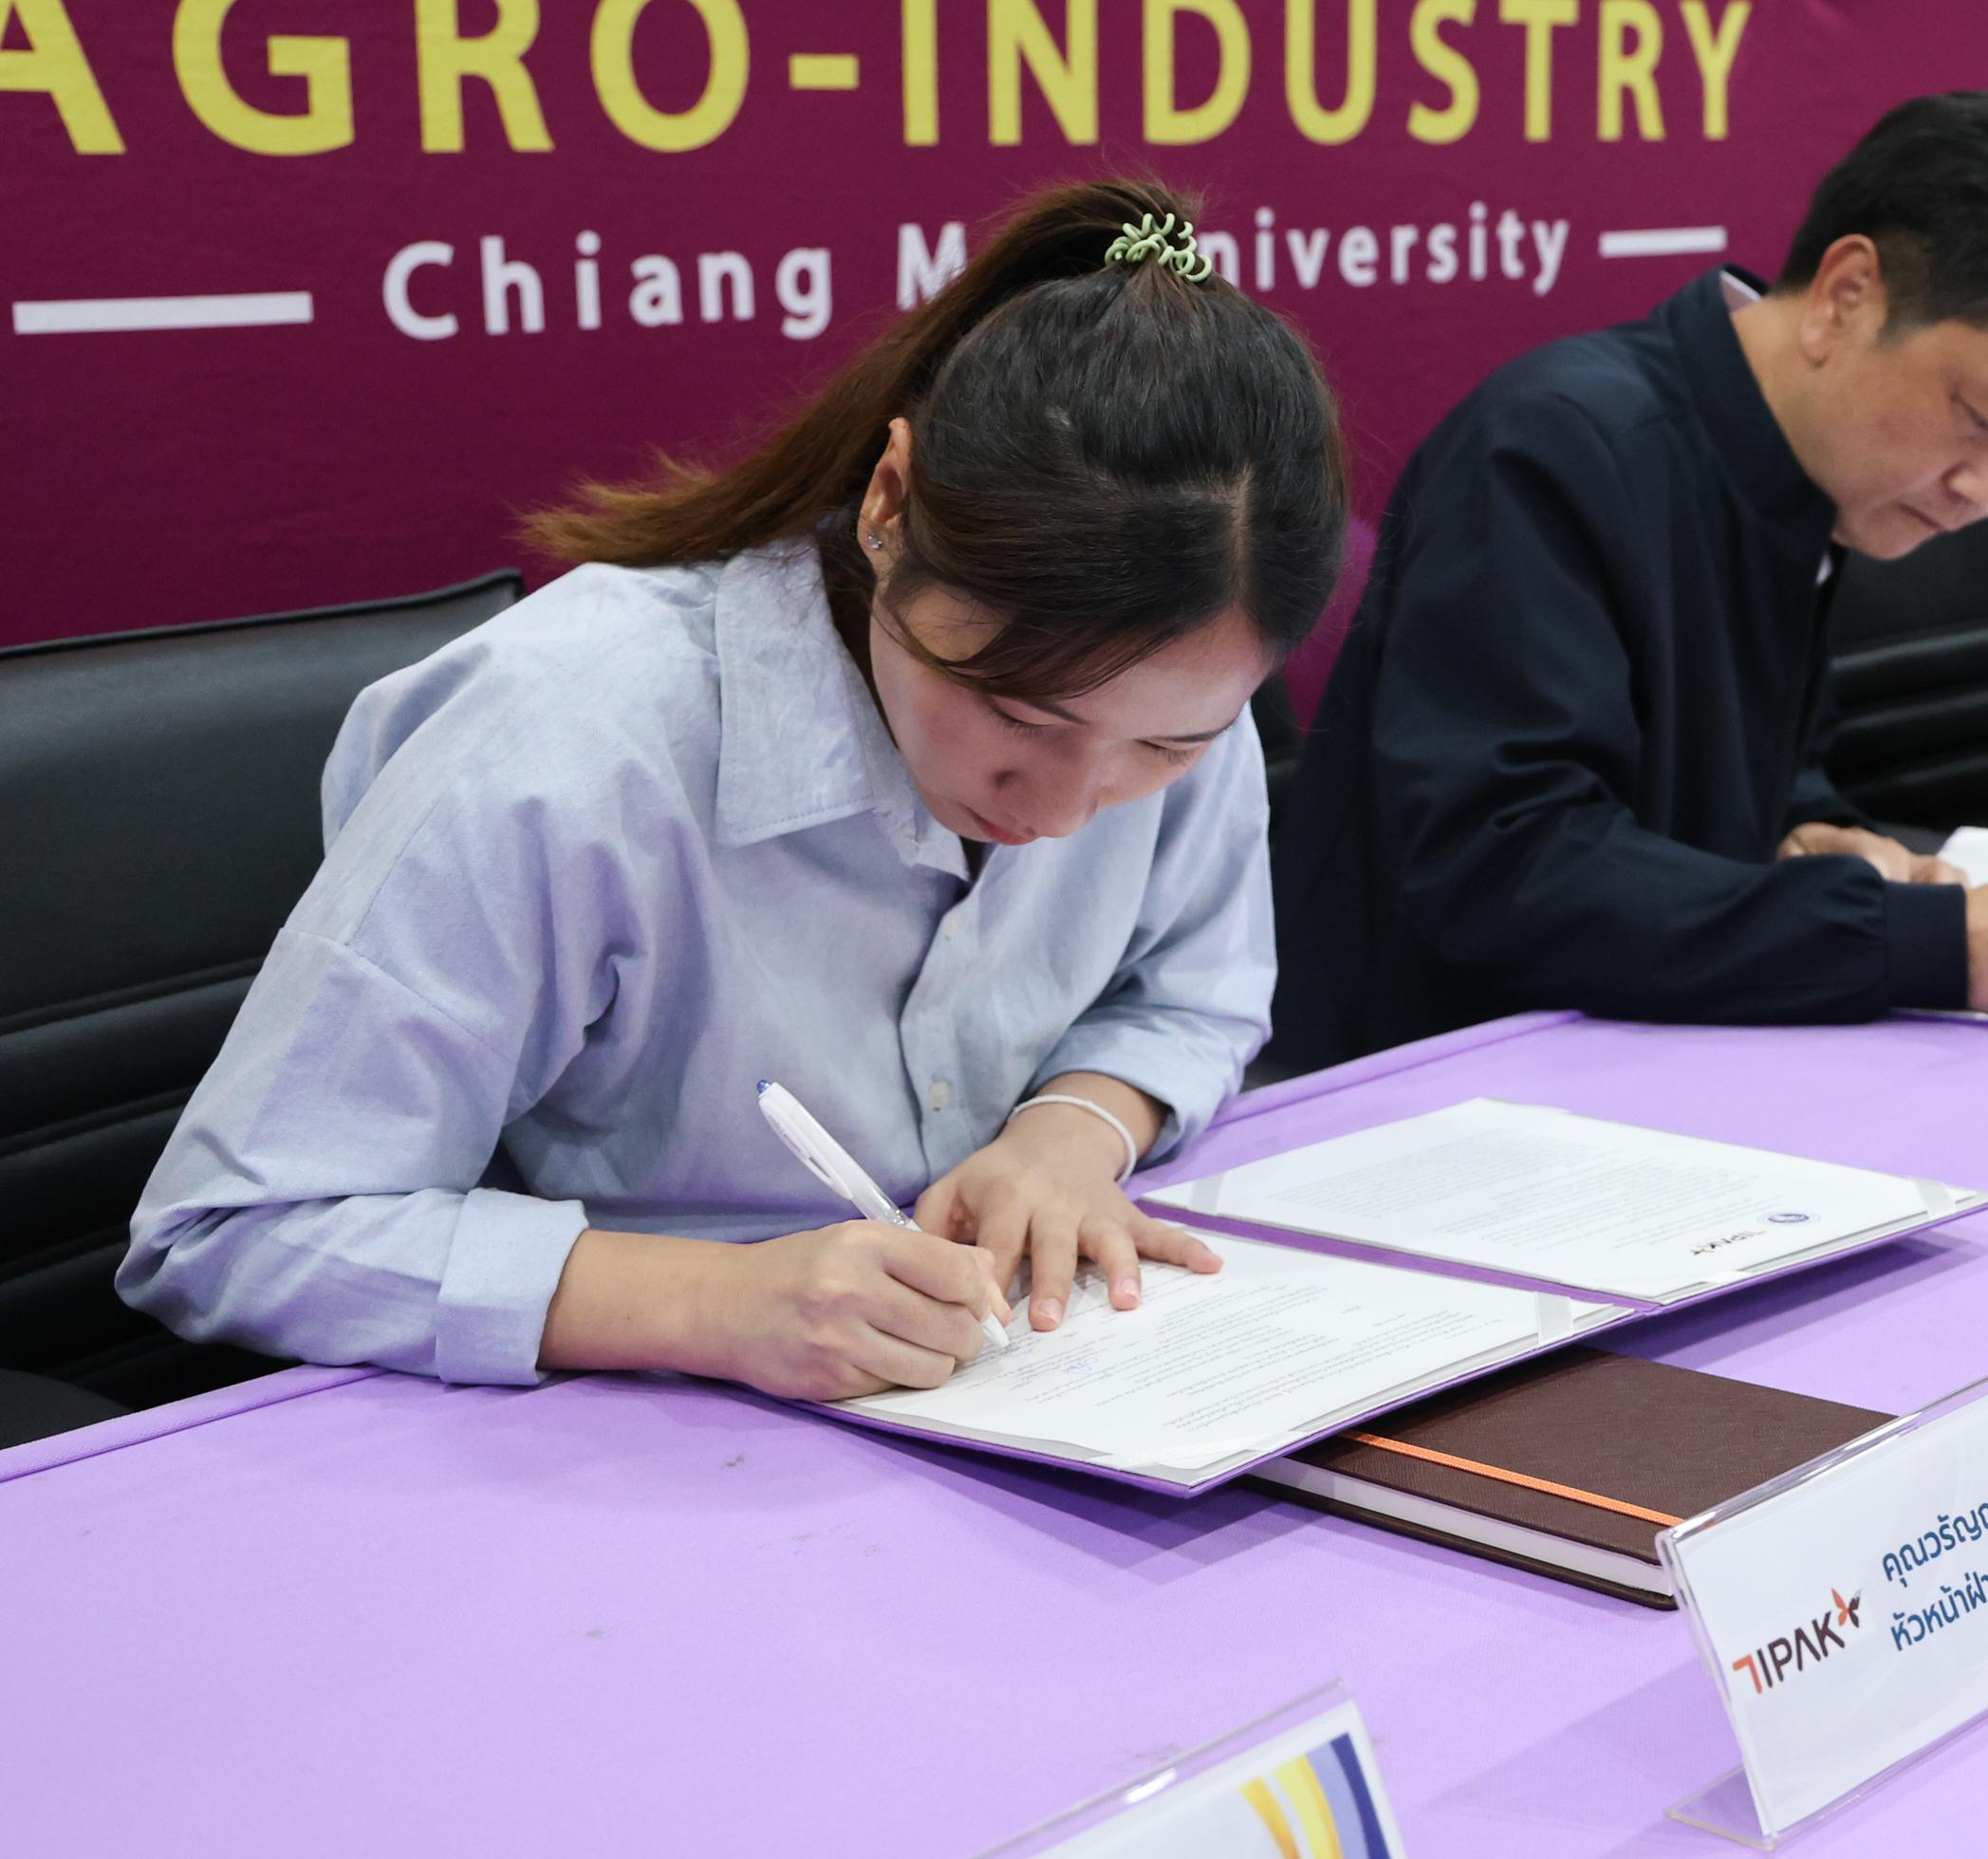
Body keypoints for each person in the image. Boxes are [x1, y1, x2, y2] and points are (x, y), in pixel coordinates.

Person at [124, 178, 1348, 1403]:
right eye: (1018, 714)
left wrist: (1071, 1131)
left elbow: (1193, 993)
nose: (1067, 811)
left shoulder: (1169, 693)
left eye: (1166, 750)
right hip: (622, 1435)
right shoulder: (565, 742)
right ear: (889, 504)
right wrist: (714, 1302)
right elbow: (232, 1229)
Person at [1272, 90, 1988, 1066]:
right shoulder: (1552, 448)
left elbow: (1721, 777)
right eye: (1980, 418)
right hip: (1427, 1081)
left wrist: (1808, 831)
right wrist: (1942, 944)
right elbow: (1508, 865)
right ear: (1848, 295)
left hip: (1648, 1049)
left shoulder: (1804, 480)